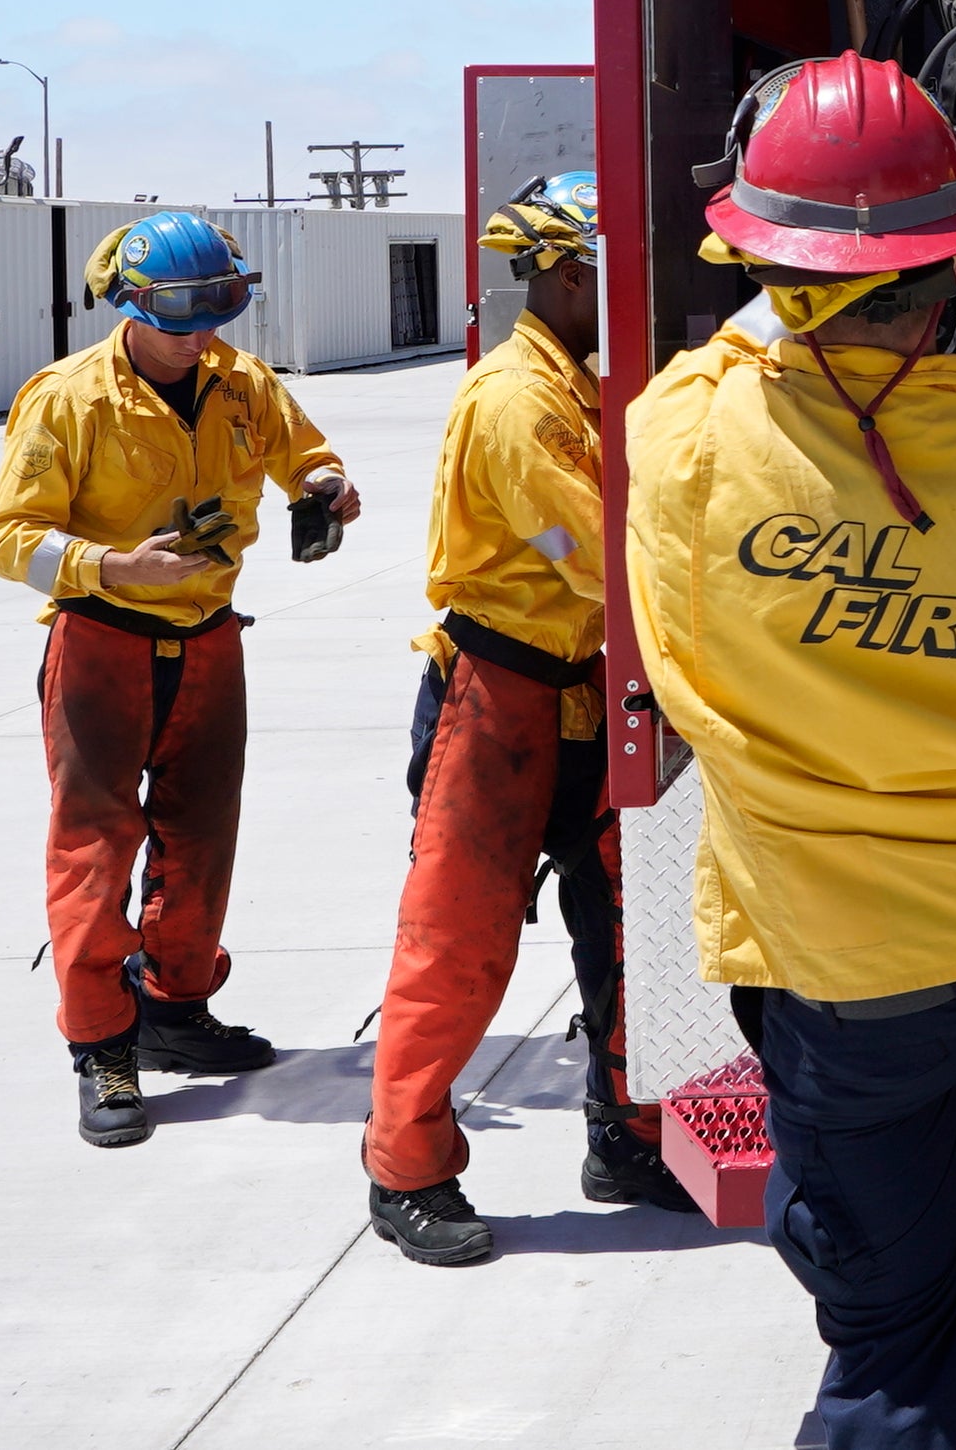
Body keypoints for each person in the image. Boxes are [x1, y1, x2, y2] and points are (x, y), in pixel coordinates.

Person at [626, 53, 956, 1450]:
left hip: (849, 979)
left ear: (767, 268)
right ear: (954, 268)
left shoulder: (682, 440)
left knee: (894, 1338)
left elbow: (729, 351)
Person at [361, 171, 693, 1265]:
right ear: (564, 272)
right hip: (497, 697)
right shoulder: (516, 402)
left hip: (580, 689)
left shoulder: (576, 386)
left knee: (627, 922)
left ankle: (631, 1134)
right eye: (614, 266)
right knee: (457, 941)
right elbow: (597, 554)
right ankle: (407, 1167)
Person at [0, 210, 362, 1147]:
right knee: (95, 847)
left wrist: (326, 489)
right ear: (129, 304)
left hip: (208, 641)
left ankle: (174, 1008)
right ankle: (102, 1045)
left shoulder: (241, 383)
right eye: (182, 314)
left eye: (219, 309)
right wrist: (112, 569)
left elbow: (303, 453)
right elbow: (7, 541)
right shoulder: (68, 400)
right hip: (102, 644)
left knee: (201, 837)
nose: (201, 334)